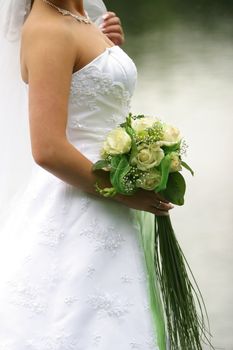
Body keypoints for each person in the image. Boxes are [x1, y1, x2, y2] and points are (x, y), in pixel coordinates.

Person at [0, 0, 173, 349]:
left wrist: (105, 48)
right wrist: (125, 192)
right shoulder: (48, 27)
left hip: (106, 206)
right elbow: (47, 149)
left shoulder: (83, 17)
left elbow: (91, 99)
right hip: (79, 207)